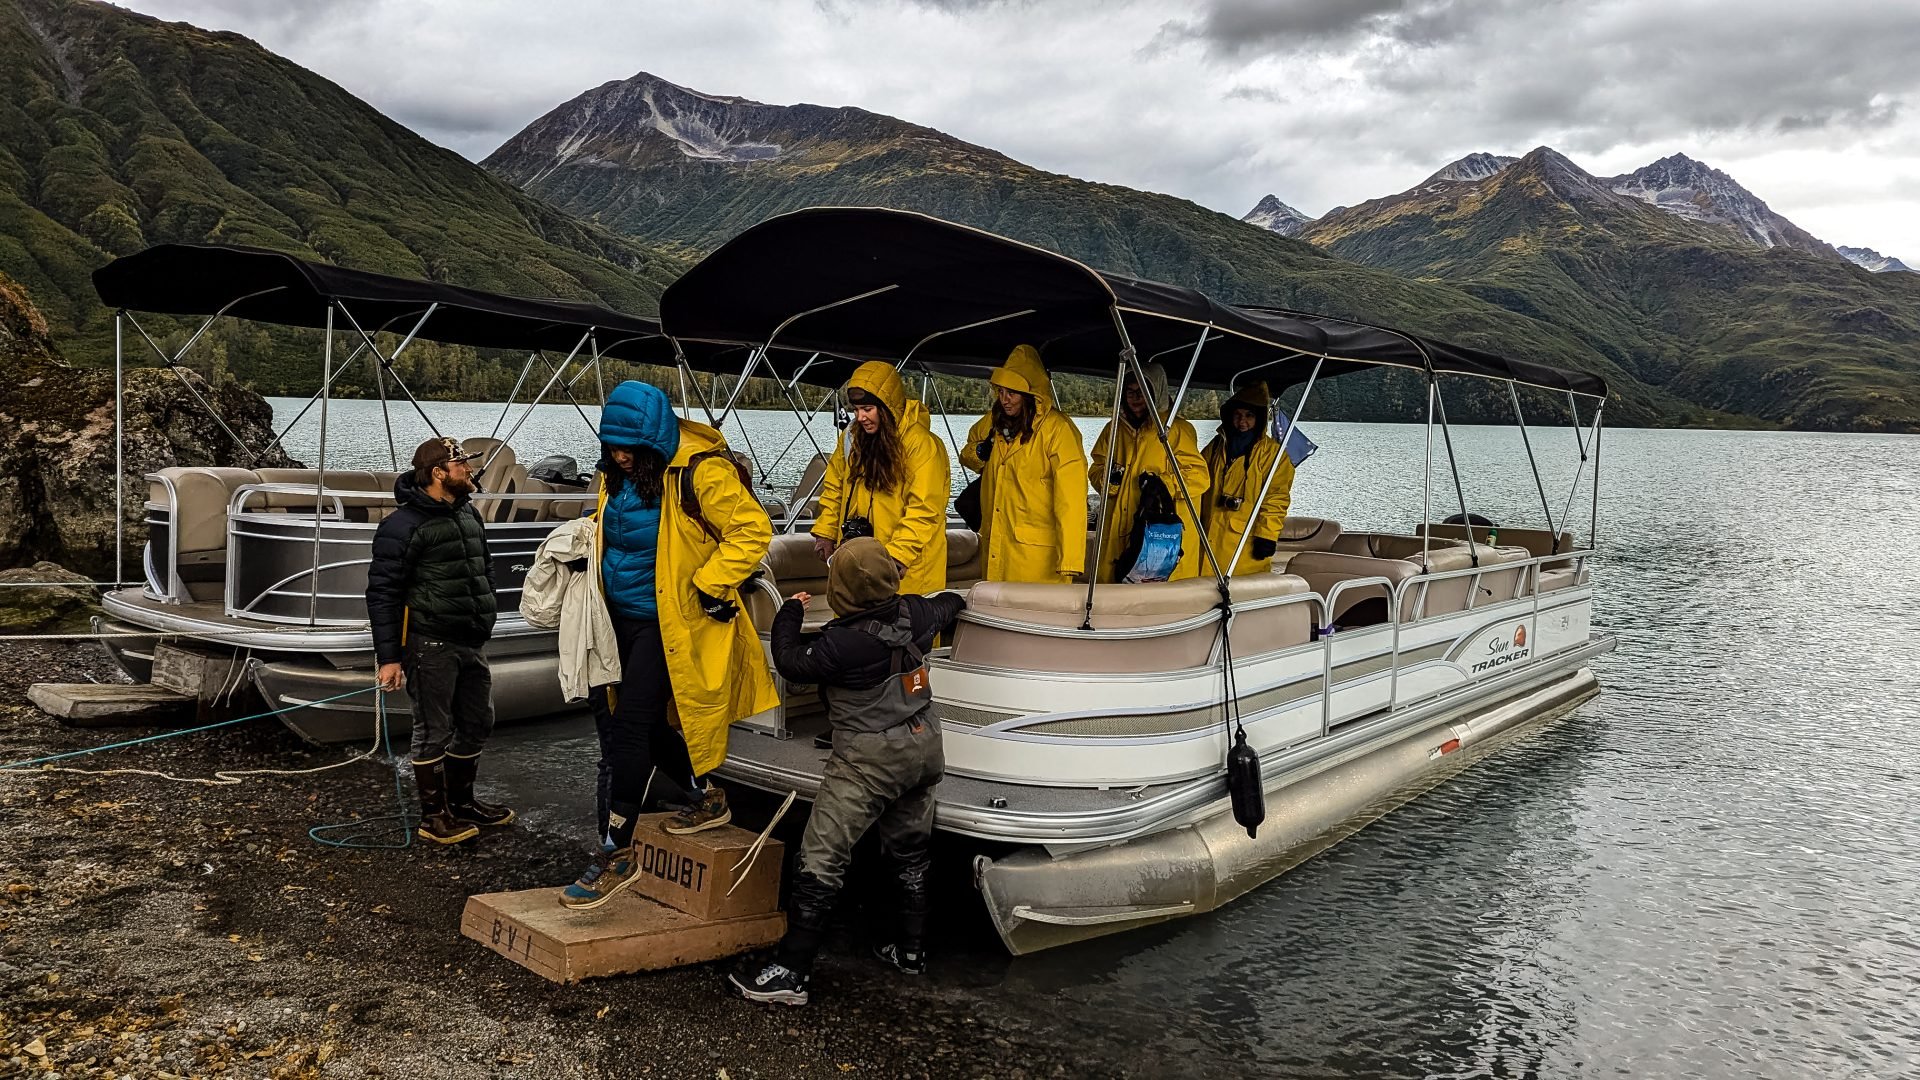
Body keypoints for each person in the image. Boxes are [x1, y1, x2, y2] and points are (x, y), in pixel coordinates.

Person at [561, 380, 780, 910]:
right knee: (646, 724)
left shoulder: (701, 469)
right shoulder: (618, 471)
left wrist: (710, 582)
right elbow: (620, 528)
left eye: (629, 451)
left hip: (672, 621)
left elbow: (753, 529)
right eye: (611, 448)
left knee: (630, 727)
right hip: (619, 620)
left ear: (654, 443)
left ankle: (617, 853)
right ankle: (706, 796)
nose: (619, 458)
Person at [732, 537, 967, 1005]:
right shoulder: (918, 615)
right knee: (911, 852)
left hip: (867, 762)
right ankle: (910, 952)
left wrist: (788, 616)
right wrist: (955, 601)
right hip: (923, 747)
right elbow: (949, 605)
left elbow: (792, 662)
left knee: (821, 857)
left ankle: (790, 972)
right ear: (890, 578)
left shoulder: (841, 645)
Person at [366, 436, 514, 846]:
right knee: (433, 728)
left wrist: (486, 610)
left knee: (477, 722)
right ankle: (434, 816)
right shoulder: (401, 526)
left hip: (471, 639)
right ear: (438, 473)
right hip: (429, 642)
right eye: (461, 465)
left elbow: (484, 568)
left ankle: (462, 803)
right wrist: (389, 657)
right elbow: (383, 593)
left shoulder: (469, 515)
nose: (469, 470)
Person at [811, 362, 951, 595]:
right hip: (859, 558)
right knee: (855, 627)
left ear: (887, 407)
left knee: (905, 628)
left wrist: (898, 556)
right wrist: (826, 532)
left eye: (868, 408)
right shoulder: (851, 439)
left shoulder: (922, 445)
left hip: (905, 569)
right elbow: (834, 488)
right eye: (856, 410)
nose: (861, 417)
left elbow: (925, 508)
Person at [958, 345, 1088, 583]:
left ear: (1030, 395)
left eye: (1012, 393)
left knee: (1034, 616)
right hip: (996, 545)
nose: (1004, 400)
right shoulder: (992, 422)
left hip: (1037, 558)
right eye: (1000, 391)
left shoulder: (1059, 430)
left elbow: (1071, 499)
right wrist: (979, 451)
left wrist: (1070, 560)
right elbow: (967, 454)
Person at [1089, 361, 1212, 582]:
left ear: (1157, 394)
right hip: (1120, 532)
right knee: (1116, 598)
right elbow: (1096, 470)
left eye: (1143, 392)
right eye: (1130, 392)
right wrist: (1113, 479)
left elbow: (1199, 476)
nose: (1135, 398)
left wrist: (1162, 484)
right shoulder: (1113, 430)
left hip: (1162, 538)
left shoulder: (1177, 430)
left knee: (1161, 604)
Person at [1200, 381, 1294, 576]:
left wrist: (1267, 536)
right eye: (1237, 415)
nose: (1242, 422)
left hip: (1244, 545)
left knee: (1241, 595)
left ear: (1259, 418)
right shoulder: (1217, 446)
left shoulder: (1273, 454)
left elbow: (1276, 498)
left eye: (1249, 416)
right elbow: (1198, 479)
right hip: (1207, 539)